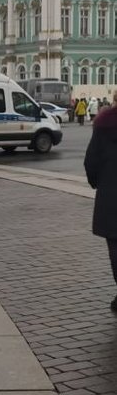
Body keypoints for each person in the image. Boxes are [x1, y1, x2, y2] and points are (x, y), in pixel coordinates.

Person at [85, 91, 117, 312]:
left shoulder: (104, 124)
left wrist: (98, 184)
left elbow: (91, 161)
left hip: (111, 198)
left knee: (115, 248)